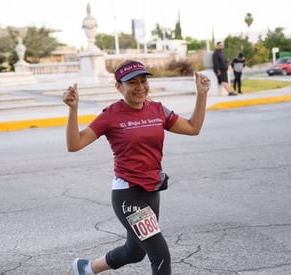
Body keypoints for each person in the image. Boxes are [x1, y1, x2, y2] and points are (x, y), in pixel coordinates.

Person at [62, 60, 210, 275]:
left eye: (143, 81)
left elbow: (192, 127)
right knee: (160, 254)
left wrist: (202, 94)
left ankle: (86, 268)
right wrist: (73, 109)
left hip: (151, 190)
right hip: (128, 193)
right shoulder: (111, 115)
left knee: (135, 251)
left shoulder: (158, 109)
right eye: (132, 83)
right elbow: (74, 144)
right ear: (119, 87)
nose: (140, 87)